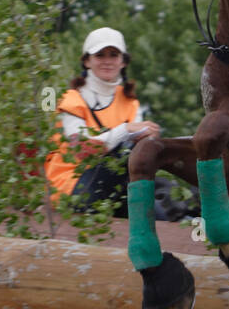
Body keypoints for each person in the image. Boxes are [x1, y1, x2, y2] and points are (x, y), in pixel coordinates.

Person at [44, 27, 160, 216]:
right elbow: (81, 150)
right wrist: (125, 130)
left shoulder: (131, 102)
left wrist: (150, 139)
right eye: (99, 55)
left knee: (157, 211)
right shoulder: (71, 99)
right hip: (71, 188)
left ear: (123, 62)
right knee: (126, 152)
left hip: (113, 190)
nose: (107, 61)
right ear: (87, 61)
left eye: (113, 55)